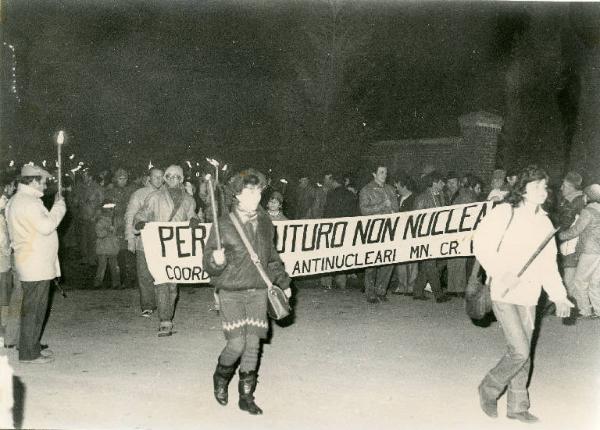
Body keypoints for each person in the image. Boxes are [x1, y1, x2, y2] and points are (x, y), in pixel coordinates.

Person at [473, 165, 572, 423]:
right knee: (520, 350)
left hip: (530, 295)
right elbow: (481, 243)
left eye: (545, 186)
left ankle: (517, 406)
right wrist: (499, 270)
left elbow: (548, 264)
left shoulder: (544, 222)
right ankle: (488, 388)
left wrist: (559, 295)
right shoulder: (505, 212)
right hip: (504, 291)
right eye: (537, 185)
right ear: (524, 188)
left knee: (523, 349)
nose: (543, 191)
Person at [203, 168, 291, 415]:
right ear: (238, 195)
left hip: (258, 291)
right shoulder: (223, 225)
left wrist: (283, 283)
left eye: (257, 190)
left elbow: (272, 258)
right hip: (231, 291)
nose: (254, 195)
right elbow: (207, 262)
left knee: (253, 344)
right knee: (236, 344)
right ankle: (220, 378)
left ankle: (246, 396)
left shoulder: (265, 221)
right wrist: (216, 260)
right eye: (248, 190)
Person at [6, 164, 66, 364]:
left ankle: (29, 346)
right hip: (35, 263)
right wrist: (59, 207)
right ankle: (29, 354)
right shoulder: (29, 202)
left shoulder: (17, 200)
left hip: (30, 260)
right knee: (35, 309)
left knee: (31, 307)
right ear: (32, 181)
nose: (45, 185)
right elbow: (47, 226)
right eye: (43, 181)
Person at [134, 165, 198, 337]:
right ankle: (165, 320)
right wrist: (139, 223)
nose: (172, 179)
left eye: (176, 176)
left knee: (173, 284)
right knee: (162, 281)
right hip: (159, 246)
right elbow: (141, 214)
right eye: (168, 176)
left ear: (182, 179)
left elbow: (194, 215)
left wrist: (194, 220)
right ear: (164, 179)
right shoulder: (155, 197)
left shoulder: (189, 200)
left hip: (177, 247)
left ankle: (167, 313)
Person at [125, 168, 164, 317]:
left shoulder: (167, 194)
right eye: (155, 177)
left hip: (162, 241)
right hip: (144, 241)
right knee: (144, 273)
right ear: (149, 178)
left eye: (161, 177)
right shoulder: (139, 194)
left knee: (161, 273)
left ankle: (162, 303)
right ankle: (147, 305)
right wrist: (130, 237)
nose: (159, 180)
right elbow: (130, 216)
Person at [558, 184, 600, 318]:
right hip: (598, 252)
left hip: (589, 251)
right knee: (594, 282)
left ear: (588, 197)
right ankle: (598, 311)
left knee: (580, 281)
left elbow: (576, 230)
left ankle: (585, 311)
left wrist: (559, 236)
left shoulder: (588, 211)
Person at [359, 164, 399, 303]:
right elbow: (364, 210)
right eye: (381, 172)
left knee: (389, 260)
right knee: (372, 262)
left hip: (389, 229)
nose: (384, 175)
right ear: (374, 174)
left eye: (386, 172)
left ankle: (381, 290)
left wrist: (394, 211)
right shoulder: (366, 190)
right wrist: (383, 205)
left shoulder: (391, 189)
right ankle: (370, 293)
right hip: (373, 230)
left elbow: (396, 207)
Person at [412, 171, 451, 302]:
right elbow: (416, 219)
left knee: (431, 264)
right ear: (434, 183)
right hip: (426, 235)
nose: (443, 185)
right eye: (441, 182)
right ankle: (438, 294)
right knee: (430, 263)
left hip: (439, 234)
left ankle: (417, 291)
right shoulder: (422, 198)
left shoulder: (442, 197)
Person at [321, 172, 359, 290]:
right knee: (342, 255)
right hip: (347, 229)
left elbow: (327, 213)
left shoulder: (331, 194)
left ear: (334, 181)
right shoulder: (350, 195)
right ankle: (342, 282)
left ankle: (327, 282)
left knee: (329, 255)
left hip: (333, 229)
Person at [104, 168, 136, 289]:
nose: (123, 181)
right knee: (117, 253)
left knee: (129, 252)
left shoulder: (132, 191)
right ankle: (119, 279)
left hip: (129, 223)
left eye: (125, 179)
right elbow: (107, 208)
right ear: (116, 179)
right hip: (117, 224)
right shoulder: (110, 192)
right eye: (120, 179)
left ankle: (129, 278)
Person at [556, 171, 586, 298]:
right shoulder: (582, 199)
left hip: (571, 246)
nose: (561, 188)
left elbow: (564, 223)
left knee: (569, 279)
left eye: (563, 185)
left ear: (569, 186)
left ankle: (571, 311)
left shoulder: (572, 202)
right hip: (578, 245)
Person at [391, 175, 418, 295]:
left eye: (397, 184)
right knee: (400, 259)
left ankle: (411, 286)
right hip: (398, 234)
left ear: (404, 185)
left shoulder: (415, 199)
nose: (395, 187)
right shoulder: (396, 199)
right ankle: (402, 285)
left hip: (411, 233)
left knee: (412, 260)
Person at [0, 173, 15, 345]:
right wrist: (8, 252)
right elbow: (3, 240)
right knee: (4, 296)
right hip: (2, 263)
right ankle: (3, 327)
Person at [93, 203, 121, 289]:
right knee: (102, 266)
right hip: (103, 247)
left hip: (112, 247)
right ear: (105, 211)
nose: (112, 212)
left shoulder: (114, 221)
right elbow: (99, 234)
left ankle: (116, 283)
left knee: (114, 266)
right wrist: (108, 231)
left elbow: (118, 230)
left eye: (112, 210)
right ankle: (97, 283)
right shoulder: (100, 221)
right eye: (110, 210)